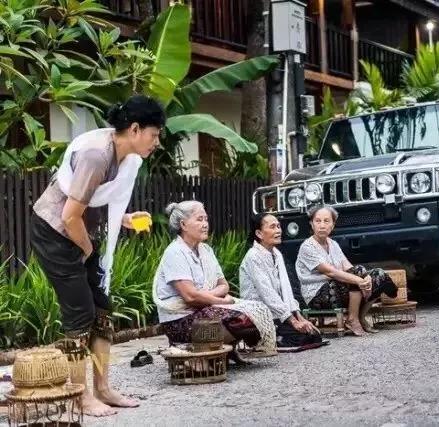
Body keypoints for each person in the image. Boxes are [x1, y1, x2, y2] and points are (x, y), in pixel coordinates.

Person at [30, 95, 164, 416]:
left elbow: (94, 199)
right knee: (80, 313)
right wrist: (88, 250)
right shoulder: (96, 155)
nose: (157, 142)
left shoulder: (124, 156)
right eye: (154, 134)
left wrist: (124, 218)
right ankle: (80, 395)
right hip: (55, 233)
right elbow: (69, 215)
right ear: (135, 129)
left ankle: (103, 389)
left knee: (102, 310)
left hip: (79, 233)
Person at [153, 201, 276, 359]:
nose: (205, 224)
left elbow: (223, 285)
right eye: (199, 219)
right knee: (241, 320)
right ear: (183, 224)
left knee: (258, 312)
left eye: (206, 219)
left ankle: (221, 351)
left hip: (205, 307)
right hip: (180, 319)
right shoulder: (175, 252)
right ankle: (203, 353)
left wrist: (206, 295)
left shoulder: (206, 250)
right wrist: (222, 301)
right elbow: (190, 297)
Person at [295, 206, 398, 336]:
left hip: (339, 287)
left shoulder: (333, 244)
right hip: (319, 294)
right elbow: (331, 272)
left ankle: (360, 317)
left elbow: (348, 267)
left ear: (333, 225)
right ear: (311, 224)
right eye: (318, 221)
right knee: (358, 274)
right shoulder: (307, 247)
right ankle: (352, 320)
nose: (322, 225)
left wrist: (365, 277)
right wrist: (360, 280)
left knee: (378, 274)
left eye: (326, 221)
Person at [240, 213, 322, 348]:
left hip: (278, 313)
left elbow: (286, 289)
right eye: (272, 227)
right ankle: (266, 340)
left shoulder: (277, 254)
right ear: (259, 233)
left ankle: (277, 337)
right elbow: (267, 294)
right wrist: (293, 321)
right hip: (261, 314)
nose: (278, 230)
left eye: (278, 226)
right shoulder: (253, 257)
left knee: (314, 335)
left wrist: (299, 317)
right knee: (303, 337)